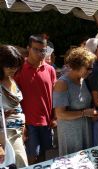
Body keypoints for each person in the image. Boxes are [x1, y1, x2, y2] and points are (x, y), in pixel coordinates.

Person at [15, 35, 56, 164]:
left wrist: (55, 117)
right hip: (28, 123)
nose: (40, 53)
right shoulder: (19, 69)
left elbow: (54, 94)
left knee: (44, 155)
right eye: (36, 49)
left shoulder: (50, 69)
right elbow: (14, 98)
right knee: (32, 158)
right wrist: (21, 125)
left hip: (47, 121)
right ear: (28, 48)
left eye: (43, 50)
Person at [53, 47, 98, 156]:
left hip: (85, 129)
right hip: (70, 133)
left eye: (91, 68)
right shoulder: (62, 84)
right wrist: (84, 113)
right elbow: (60, 114)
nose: (91, 71)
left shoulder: (84, 80)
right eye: (88, 68)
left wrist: (92, 114)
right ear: (77, 66)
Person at [0, 45, 28, 167]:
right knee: (22, 164)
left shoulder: (11, 79)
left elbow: (18, 108)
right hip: (5, 134)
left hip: (17, 131)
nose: (14, 69)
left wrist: (23, 128)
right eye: (9, 65)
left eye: (16, 66)